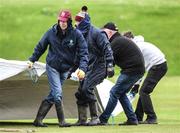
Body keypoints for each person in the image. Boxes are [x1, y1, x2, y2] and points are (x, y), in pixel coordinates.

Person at [27, 10, 89, 127]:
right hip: (52, 67)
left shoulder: (76, 34)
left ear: (69, 21)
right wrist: (32, 59)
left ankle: (38, 120)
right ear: (58, 20)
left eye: (65, 21)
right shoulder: (51, 32)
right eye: (61, 21)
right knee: (58, 93)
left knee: (54, 94)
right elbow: (41, 47)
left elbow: (84, 52)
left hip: (66, 69)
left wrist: (83, 69)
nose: (62, 23)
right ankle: (62, 121)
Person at [73, 8, 114, 126]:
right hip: (87, 68)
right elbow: (78, 55)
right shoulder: (78, 35)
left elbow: (107, 49)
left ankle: (95, 117)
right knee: (80, 92)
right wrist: (70, 70)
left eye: (79, 20)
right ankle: (82, 119)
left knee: (86, 89)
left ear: (85, 21)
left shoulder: (97, 33)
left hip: (101, 67)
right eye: (76, 20)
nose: (76, 23)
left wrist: (110, 65)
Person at [99, 22, 145, 126]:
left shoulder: (116, 42)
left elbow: (107, 60)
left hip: (132, 70)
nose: (102, 35)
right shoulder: (119, 40)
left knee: (114, 92)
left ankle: (103, 119)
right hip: (136, 70)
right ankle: (132, 119)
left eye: (104, 32)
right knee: (121, 93)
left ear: (110, 32)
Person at [123, 31, 168, 124]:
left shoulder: (136, 48)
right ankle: (138, 117)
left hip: (158, 66)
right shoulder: (139, 45)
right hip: (159, 65)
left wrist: (136, 85)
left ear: (129, 40)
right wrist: (137, 85)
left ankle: (152, 117)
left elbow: (139, 68)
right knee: (143, 91)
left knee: (144, 92)